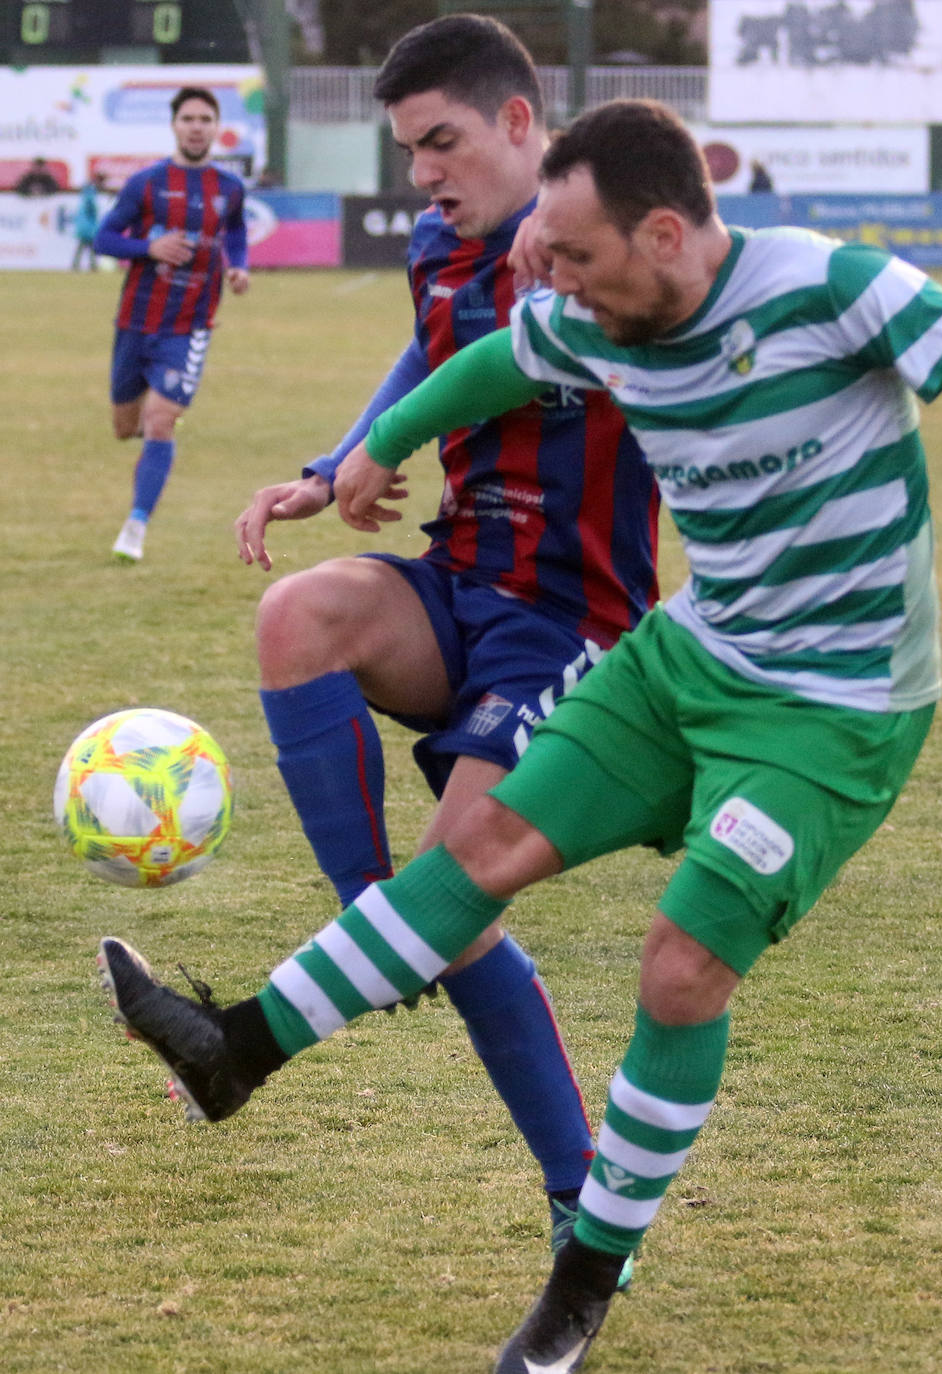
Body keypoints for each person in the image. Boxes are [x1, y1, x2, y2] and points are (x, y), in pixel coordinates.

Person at [98, 98, 942, 1373]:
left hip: (834, 711)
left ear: (665, 232)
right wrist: (369, 452)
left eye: (580, 258)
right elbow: (494, 361)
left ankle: (583, 1277)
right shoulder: (590, 312)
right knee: (478, 845)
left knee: (678, 968)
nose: (559, 289)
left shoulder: (836, 290)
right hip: (686, 664)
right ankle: (235, 1052)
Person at [230, 17, 658, 1260]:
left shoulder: (604, 247)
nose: (422, 171)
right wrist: (336, 465)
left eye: (442, 142)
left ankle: (584, 1201)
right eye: (409, 148)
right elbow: (427, 355)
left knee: (460, 891)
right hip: (457, 580)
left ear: (521, 125)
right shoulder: (440, 242)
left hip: (572, 620)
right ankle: (376, 926)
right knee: (295, 612)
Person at [93, 86, 249, 563]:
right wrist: (149, 248)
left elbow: (237, 229)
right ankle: (152, 446)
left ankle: (135, 527)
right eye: (188, 118)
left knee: (160, 420)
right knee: (126, 427)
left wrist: (238, 264)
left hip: (190, 326)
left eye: (205, 118)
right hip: (135, 321)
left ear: (215, 126)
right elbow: (103, 238)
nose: (196, 126)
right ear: (175, 125)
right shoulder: (146, 183)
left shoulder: (229, 188)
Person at [71, 172, 106, 271]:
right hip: (88, 225)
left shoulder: (87, 191)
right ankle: (91, 265)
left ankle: (77, 265)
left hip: (85, 224)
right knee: (89, 246)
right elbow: (91, 208)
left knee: (83, 247)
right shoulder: (91, 193)